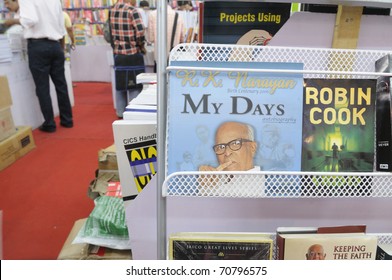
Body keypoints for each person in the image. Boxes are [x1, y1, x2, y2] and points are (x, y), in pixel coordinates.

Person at [4, 0, 73, 132]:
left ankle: (49, 123)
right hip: (55, 44)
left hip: (38, 45)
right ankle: (67, 120)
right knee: (61, 85)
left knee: (42, 88)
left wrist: (12, 21)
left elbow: (30, 20)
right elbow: (61, 24)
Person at [110, 0, 146, 118]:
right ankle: (134, 112)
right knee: (134, 85)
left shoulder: (112, 10)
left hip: (118, 53)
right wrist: (141, 46)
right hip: (132, 52)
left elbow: (109, 32)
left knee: (120, 85)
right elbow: (140, 32)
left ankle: (120, 112)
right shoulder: (132, 11)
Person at [148, 0, 184, 72]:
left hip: (159, 56)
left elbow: (151, 38)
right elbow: (181, 38)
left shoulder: (152, 15)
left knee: (158, 80)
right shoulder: (178, 15)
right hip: (173, 56)